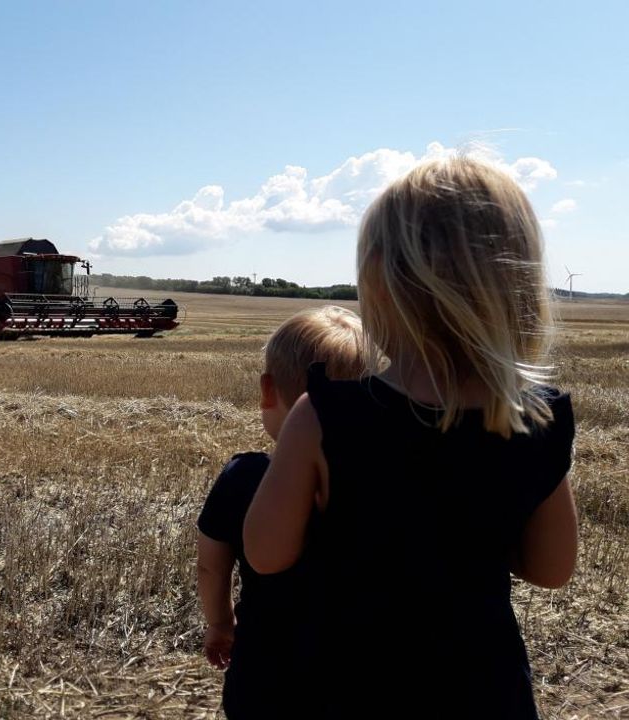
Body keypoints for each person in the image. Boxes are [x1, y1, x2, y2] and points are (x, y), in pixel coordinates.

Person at [243, 157, 578, 719]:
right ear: (519, 281)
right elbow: (552, 569)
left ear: (376, 277)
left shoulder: (324, 416)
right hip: (483, 687)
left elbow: (266, 556)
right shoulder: (536, 421)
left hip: (351, 683)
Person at [196, 305, 375, 719]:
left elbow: (211, 567)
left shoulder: (243, 478)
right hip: (362, 674)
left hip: (267, 674)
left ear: (266, 390)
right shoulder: (384, 483)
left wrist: (220, 624)